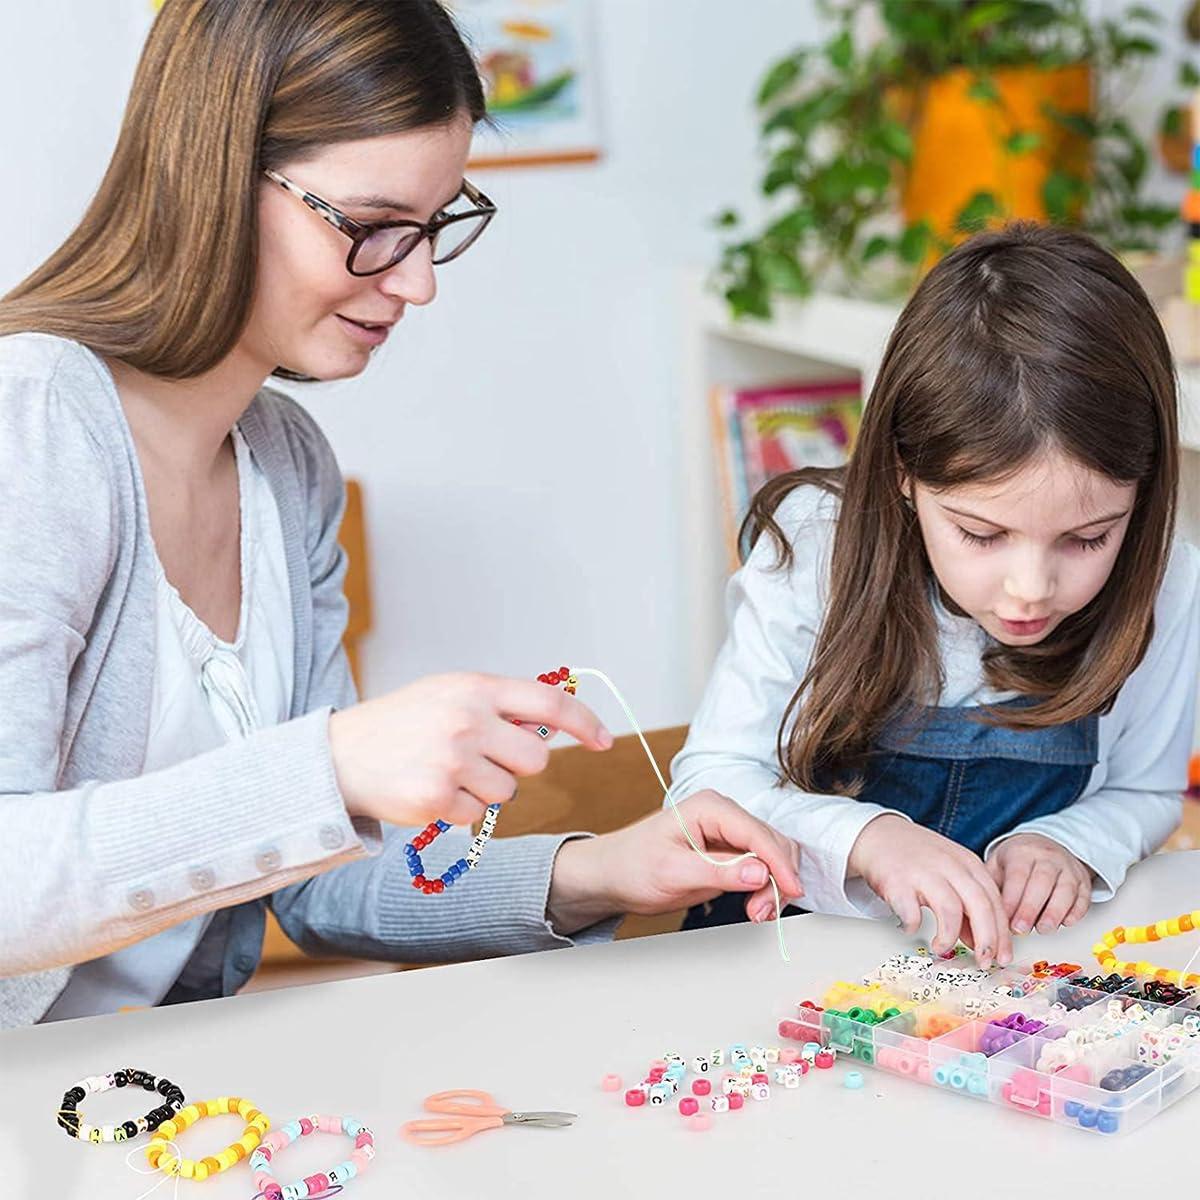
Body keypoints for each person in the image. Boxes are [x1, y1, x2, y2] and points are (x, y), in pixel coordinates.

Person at [0, 0, 802, 1028]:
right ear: (210, 177)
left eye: (431, 229)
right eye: (373, 228)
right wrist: (330, 766)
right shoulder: (33, 426)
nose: (417, 282)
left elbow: (320, 884)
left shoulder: (286, 468)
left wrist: (597, 872)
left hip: (130, 1093)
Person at [672, 222, 1200, 970]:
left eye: (1087, 539)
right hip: (773, 957)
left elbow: (1147, 793)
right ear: (901, 472)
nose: (1030, 588)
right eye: (982, 536)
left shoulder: (1167, 582)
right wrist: (867, 839)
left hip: (984, 980)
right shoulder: (816, 549)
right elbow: (710, 784)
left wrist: (1066, 844)